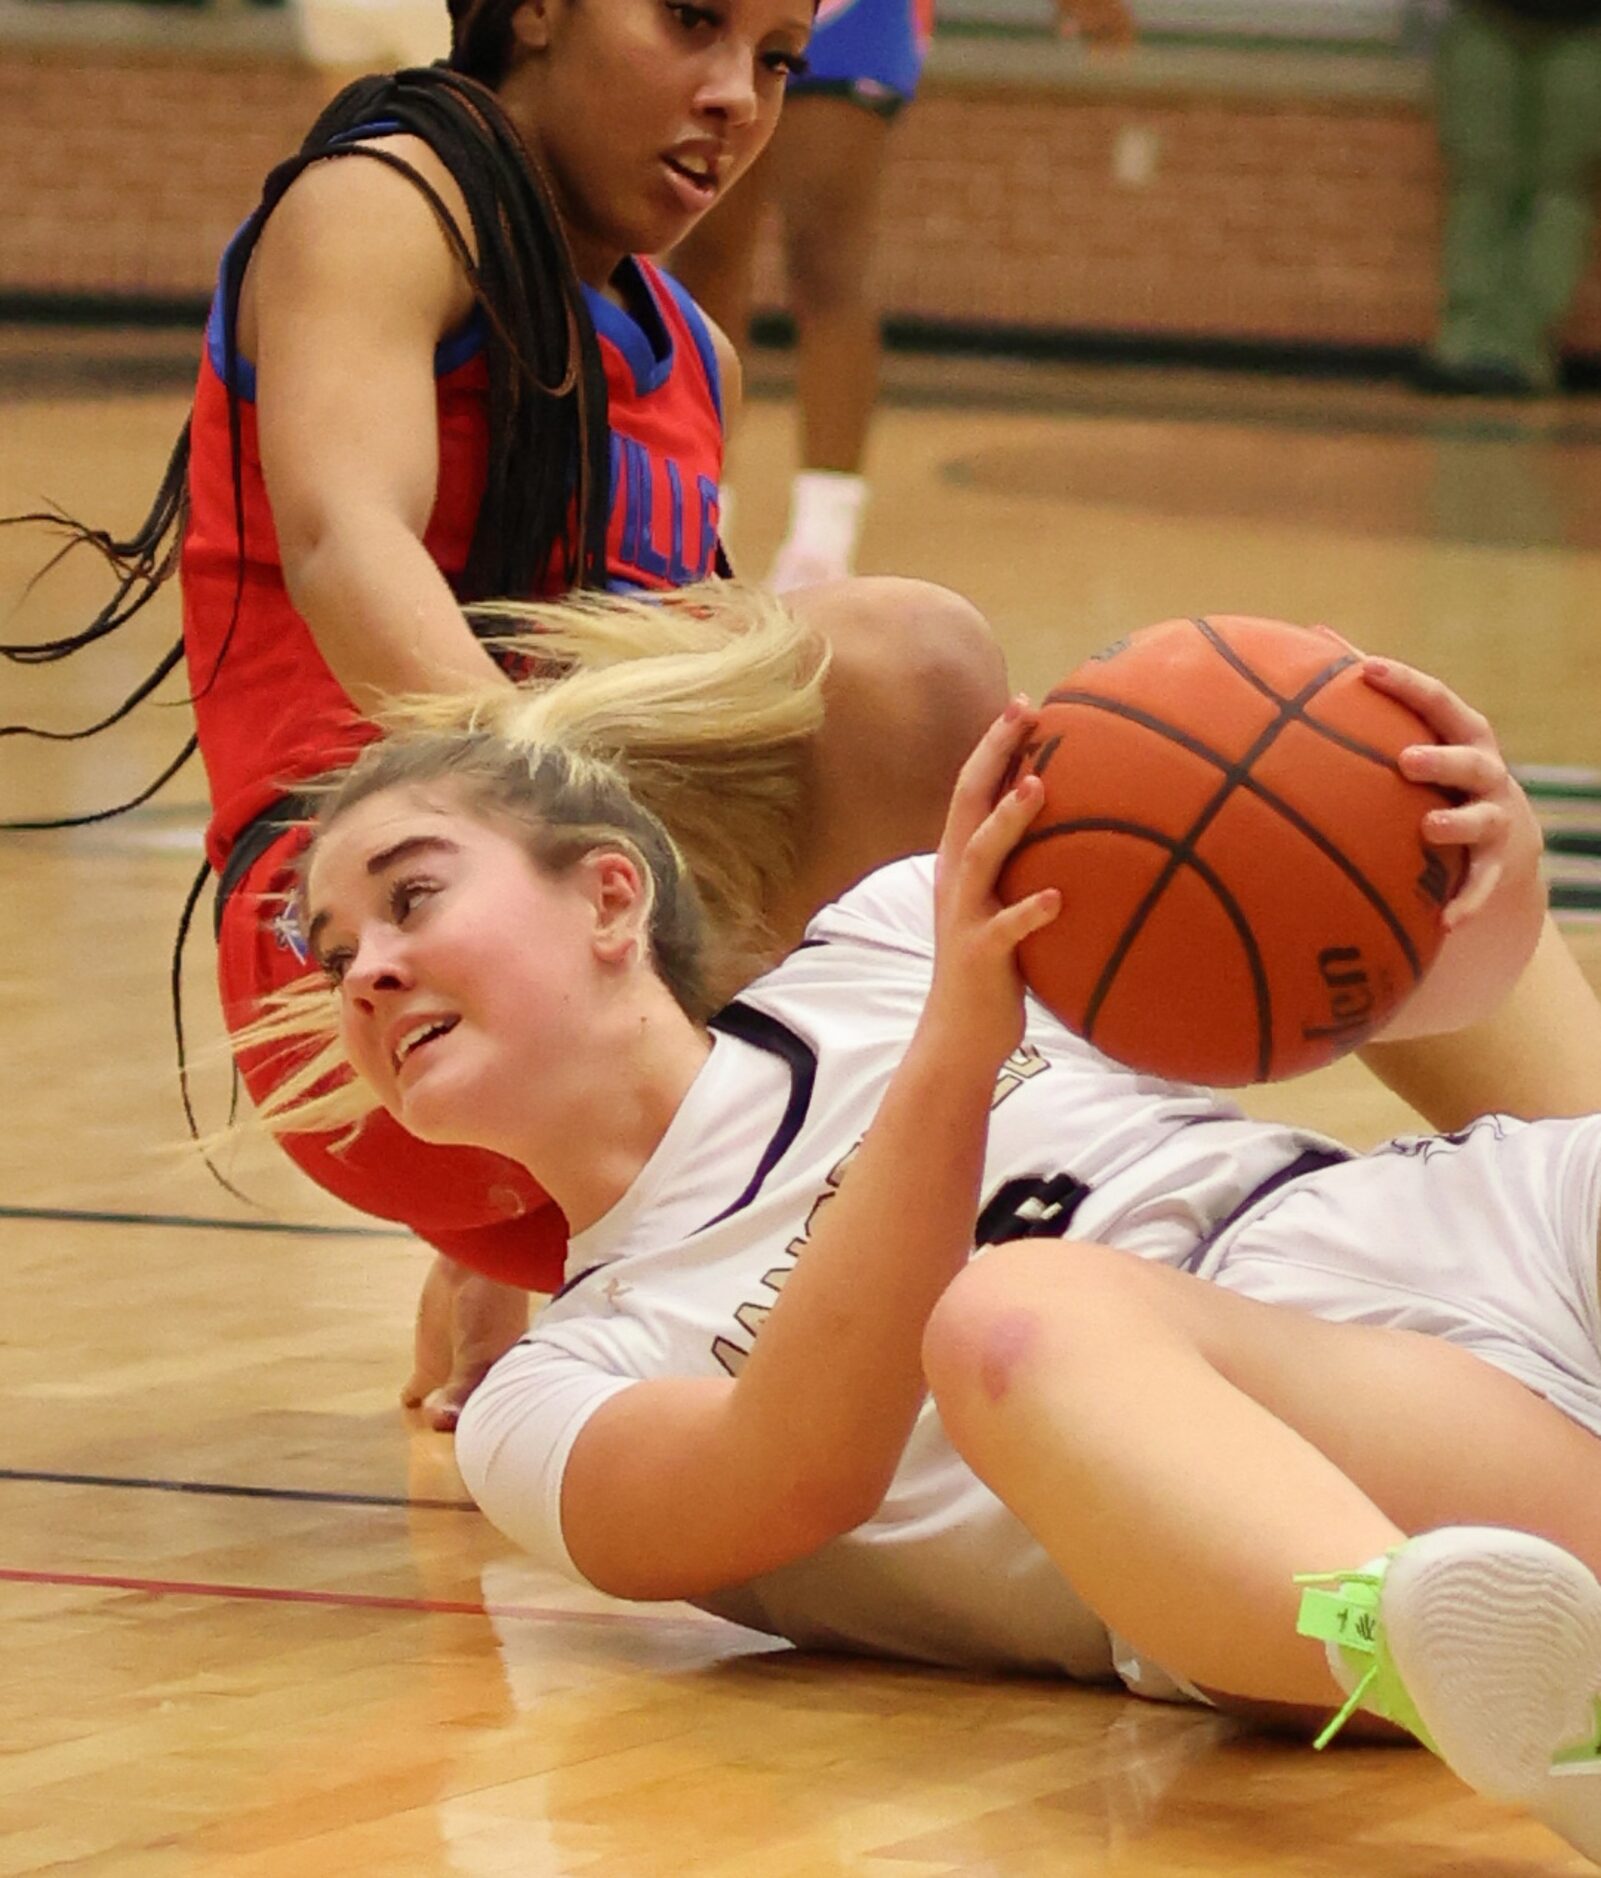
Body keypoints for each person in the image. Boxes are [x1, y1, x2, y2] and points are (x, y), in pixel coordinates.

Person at [277, 583, 1601, 1861]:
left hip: (1448, 1220)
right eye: (338, 958)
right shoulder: (548, 1395)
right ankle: (1504, 1682)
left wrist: (1473, 872)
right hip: (1298, 1501)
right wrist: (954, 1059)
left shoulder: (896, 931)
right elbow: (798, 1465)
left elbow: (1407, 991)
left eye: (412, 896)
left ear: (611, 897)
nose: (371, 971)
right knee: (1015, 1315)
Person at [0, 0, 1009, 1426]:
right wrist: (576, 894)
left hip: (565, 990)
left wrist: (499, 1237)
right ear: (536, 8)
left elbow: (667, 717)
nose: (737, 99)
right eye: (693, 23)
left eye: (776, 62)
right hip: (356, 947)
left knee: (1080, 747)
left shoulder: (687, 353)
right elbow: (350, 540)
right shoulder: (382, 200)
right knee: (904, 657)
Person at [666, 0, 1134, 591]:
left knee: (827, 258)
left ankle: (820, 548)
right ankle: (691, 514)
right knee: (701, 254)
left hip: (853, 17)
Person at [1418, 0, 1601, 397]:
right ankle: (1465, 342)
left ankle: (1521, 348)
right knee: (1480, 182)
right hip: (1483, 19)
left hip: (1586, 31)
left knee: (1560, 189)